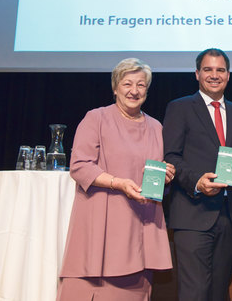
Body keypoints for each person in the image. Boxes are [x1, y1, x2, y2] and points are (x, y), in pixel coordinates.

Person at [57, 58, 175, 301]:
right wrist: (118, 183)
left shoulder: (156, 127)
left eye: (141, 85)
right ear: (115, 87)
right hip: (101, 226)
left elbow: (152, 175)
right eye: (127, 84)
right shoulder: (96, 118)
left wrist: (166, 176)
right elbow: (79, 166)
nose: (134, 91)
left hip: (140, 227)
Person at [163, 48, 232, 301]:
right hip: (193, 215)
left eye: (220, 70)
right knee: (194, 294)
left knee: (219, 293)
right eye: (208, 69)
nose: (214, 75)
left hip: (229, 216)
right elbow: (171, 157)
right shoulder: (179, 108)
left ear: (228, 75)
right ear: (197, 74)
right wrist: (197, 183)